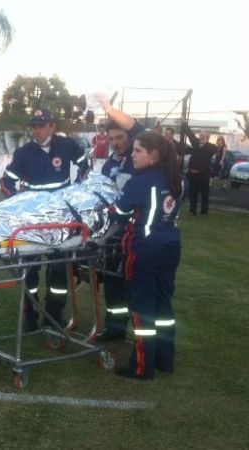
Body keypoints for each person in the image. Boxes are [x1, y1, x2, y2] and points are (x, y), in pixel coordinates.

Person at [0, 108, 89, 332]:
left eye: (41, 125)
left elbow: (86, 166)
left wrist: (76, 191)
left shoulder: (67, 145)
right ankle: (31, 312)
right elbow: (6, 182)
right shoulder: (23, 153)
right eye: (34, 126)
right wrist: (20, 201)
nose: (37, 130)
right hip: (33, 220)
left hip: (61, 219)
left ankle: (54, 314)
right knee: (29, 268)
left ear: (52, 126)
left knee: (59, 268)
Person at [112, 130, 184, 380]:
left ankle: (142, 366)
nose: (132, 155)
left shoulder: (140, 181)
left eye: (138, 150)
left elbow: (119, 212)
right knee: (163, 305)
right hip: (170, 245)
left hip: (144, 248)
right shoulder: (177, 178)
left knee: (142, 308)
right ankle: (165, 360)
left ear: (152, 154)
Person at [95, 95, 145, 342]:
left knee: (134, 282)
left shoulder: (142, 160)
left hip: (138, 232)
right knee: (113, 280)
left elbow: (135, 126)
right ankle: (115, 328)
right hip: (113, 231)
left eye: (120, 137)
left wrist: (109, 109)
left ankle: (143, 334)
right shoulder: (108, 165)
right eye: (111, 138)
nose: (115, 143)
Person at [179, 120, 217, 215]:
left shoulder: (211, 147)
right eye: (200, 135)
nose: (200, 137)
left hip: (203, 175)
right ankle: (192, 210)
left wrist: (205, 143)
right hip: (192, 173)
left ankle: (204, 211)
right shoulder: (195, 143)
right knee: (193, 193)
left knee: (204, 193)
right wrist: (184, 123)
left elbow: (212, 150)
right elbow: (190, 134)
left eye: (203, 135)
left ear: (207, 137)